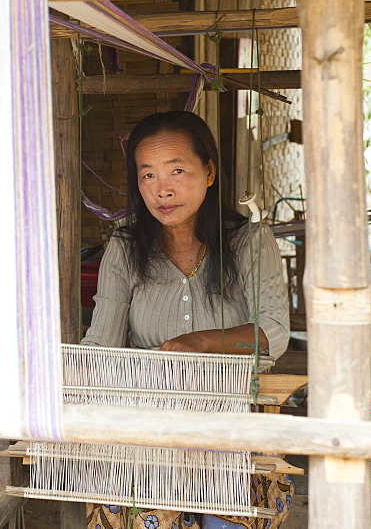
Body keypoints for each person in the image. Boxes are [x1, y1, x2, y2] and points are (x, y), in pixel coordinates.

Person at [81, 111, 292, 529]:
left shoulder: (249, 240)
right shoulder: (124, 248)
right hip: (147, 423)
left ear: (209, 171)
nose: (162, 189)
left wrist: (199, 343)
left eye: (177, 170)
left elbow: (273, 332)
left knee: (231, 516)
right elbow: (100, 344)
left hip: (231, 418)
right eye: (148, 176)